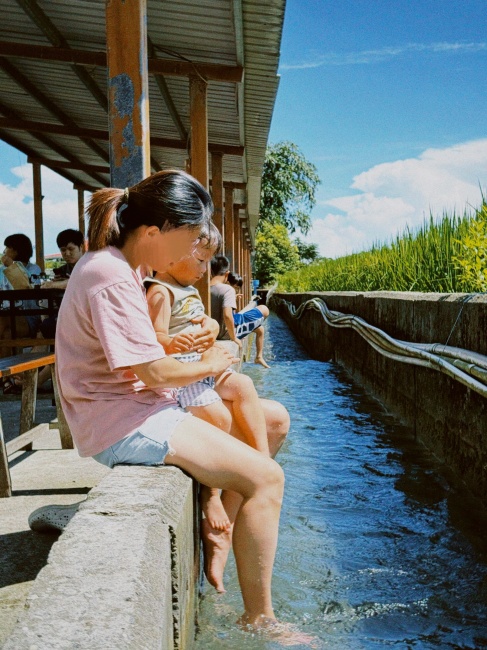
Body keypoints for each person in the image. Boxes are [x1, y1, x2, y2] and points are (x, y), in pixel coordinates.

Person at [55, 170, 289, 632]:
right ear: (153, 231)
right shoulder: (110, 274)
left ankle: (221, 512)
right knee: (267, 478)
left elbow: (146, 356)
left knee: (275, 420)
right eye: (188, 238)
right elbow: (155, 372)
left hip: (142, 401)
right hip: (119, 418)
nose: (190, 253)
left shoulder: (127, 269)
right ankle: (259, 618)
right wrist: (217, 355)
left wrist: (202, 346)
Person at [144, 224, 271, 537]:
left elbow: (206, 320)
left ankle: (263, 458)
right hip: (184, 371)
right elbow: (152, 336)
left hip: (204, 365)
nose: (205, 270)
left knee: (244, 386)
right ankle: (210, 494)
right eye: (200, 261)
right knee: (218, 416)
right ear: (170, 258)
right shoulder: (161, 291)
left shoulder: (187, 289)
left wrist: (211, 327)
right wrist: (171, 343)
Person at [210, 255, 270, 368]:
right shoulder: (228, 289)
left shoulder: (205, 288)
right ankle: (258, 357)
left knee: (260, 329)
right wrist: (234, 338)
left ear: (210, 271)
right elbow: (228, 316)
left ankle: (259, 357)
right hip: (227, 333)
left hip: (214, 331)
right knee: (264, 309)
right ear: (227, 274)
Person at [0, 233, 42, 367]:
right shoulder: (1, 270)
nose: (4, 251)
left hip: (28, 318)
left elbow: (26, 287)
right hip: (7, 318)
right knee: (7, 335)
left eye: (7, 247)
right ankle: (7, 380)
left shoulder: (33, 269)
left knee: (3, 320)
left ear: (15, 250)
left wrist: (12, 266)